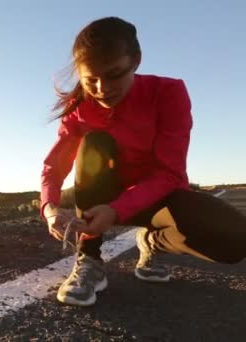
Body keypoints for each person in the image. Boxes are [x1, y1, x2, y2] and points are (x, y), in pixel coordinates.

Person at [40, 16, 246, 306]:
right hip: (101, 199)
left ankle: (152, 243)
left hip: (159, 198)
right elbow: (55, 164)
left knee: (236, 241)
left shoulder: (169, 93)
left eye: (114, 74)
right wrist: (50, 207)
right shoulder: (81, 107)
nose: (102, 88)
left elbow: (168, 173)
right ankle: (89, 260)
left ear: (136, 60)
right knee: (94, 143)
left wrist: (116, 210)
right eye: (91, 80)